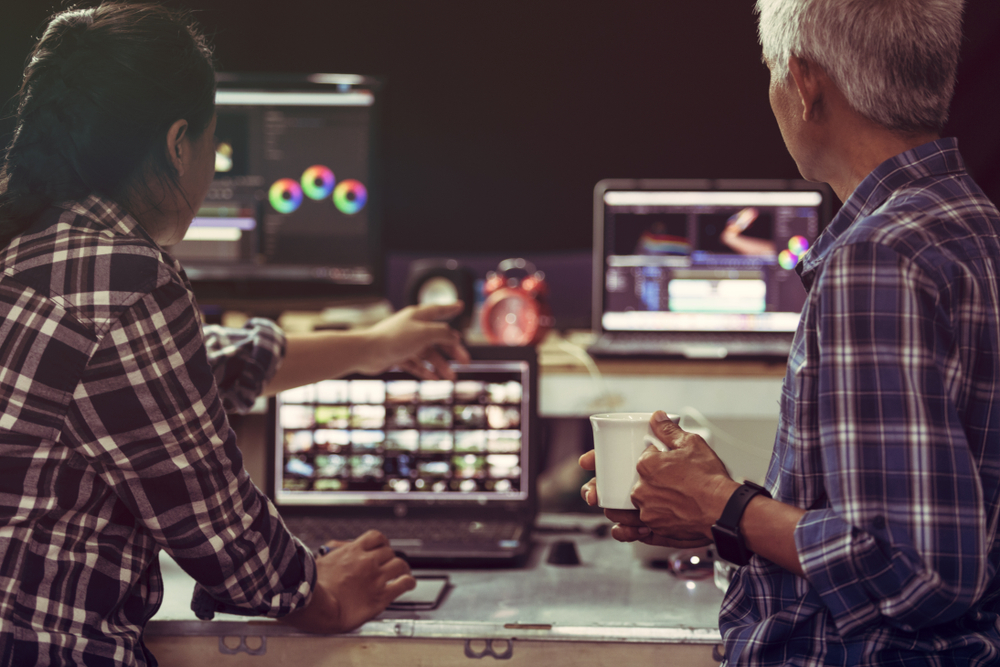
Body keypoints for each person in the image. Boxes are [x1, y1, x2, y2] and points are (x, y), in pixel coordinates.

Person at [0, 3, 469, 665]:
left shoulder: (28, 245)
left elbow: (169, 380)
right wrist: (318, 590)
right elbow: (218, 532)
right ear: (177, 143)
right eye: (213, 147)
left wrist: (372, 345)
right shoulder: (124, 274)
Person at [581, 0, 1000, 664]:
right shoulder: (971, 221)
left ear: (803, 83)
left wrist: (724, 502)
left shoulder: (877, 258)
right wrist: (715, 512)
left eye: (771, 70)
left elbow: (919, 572)